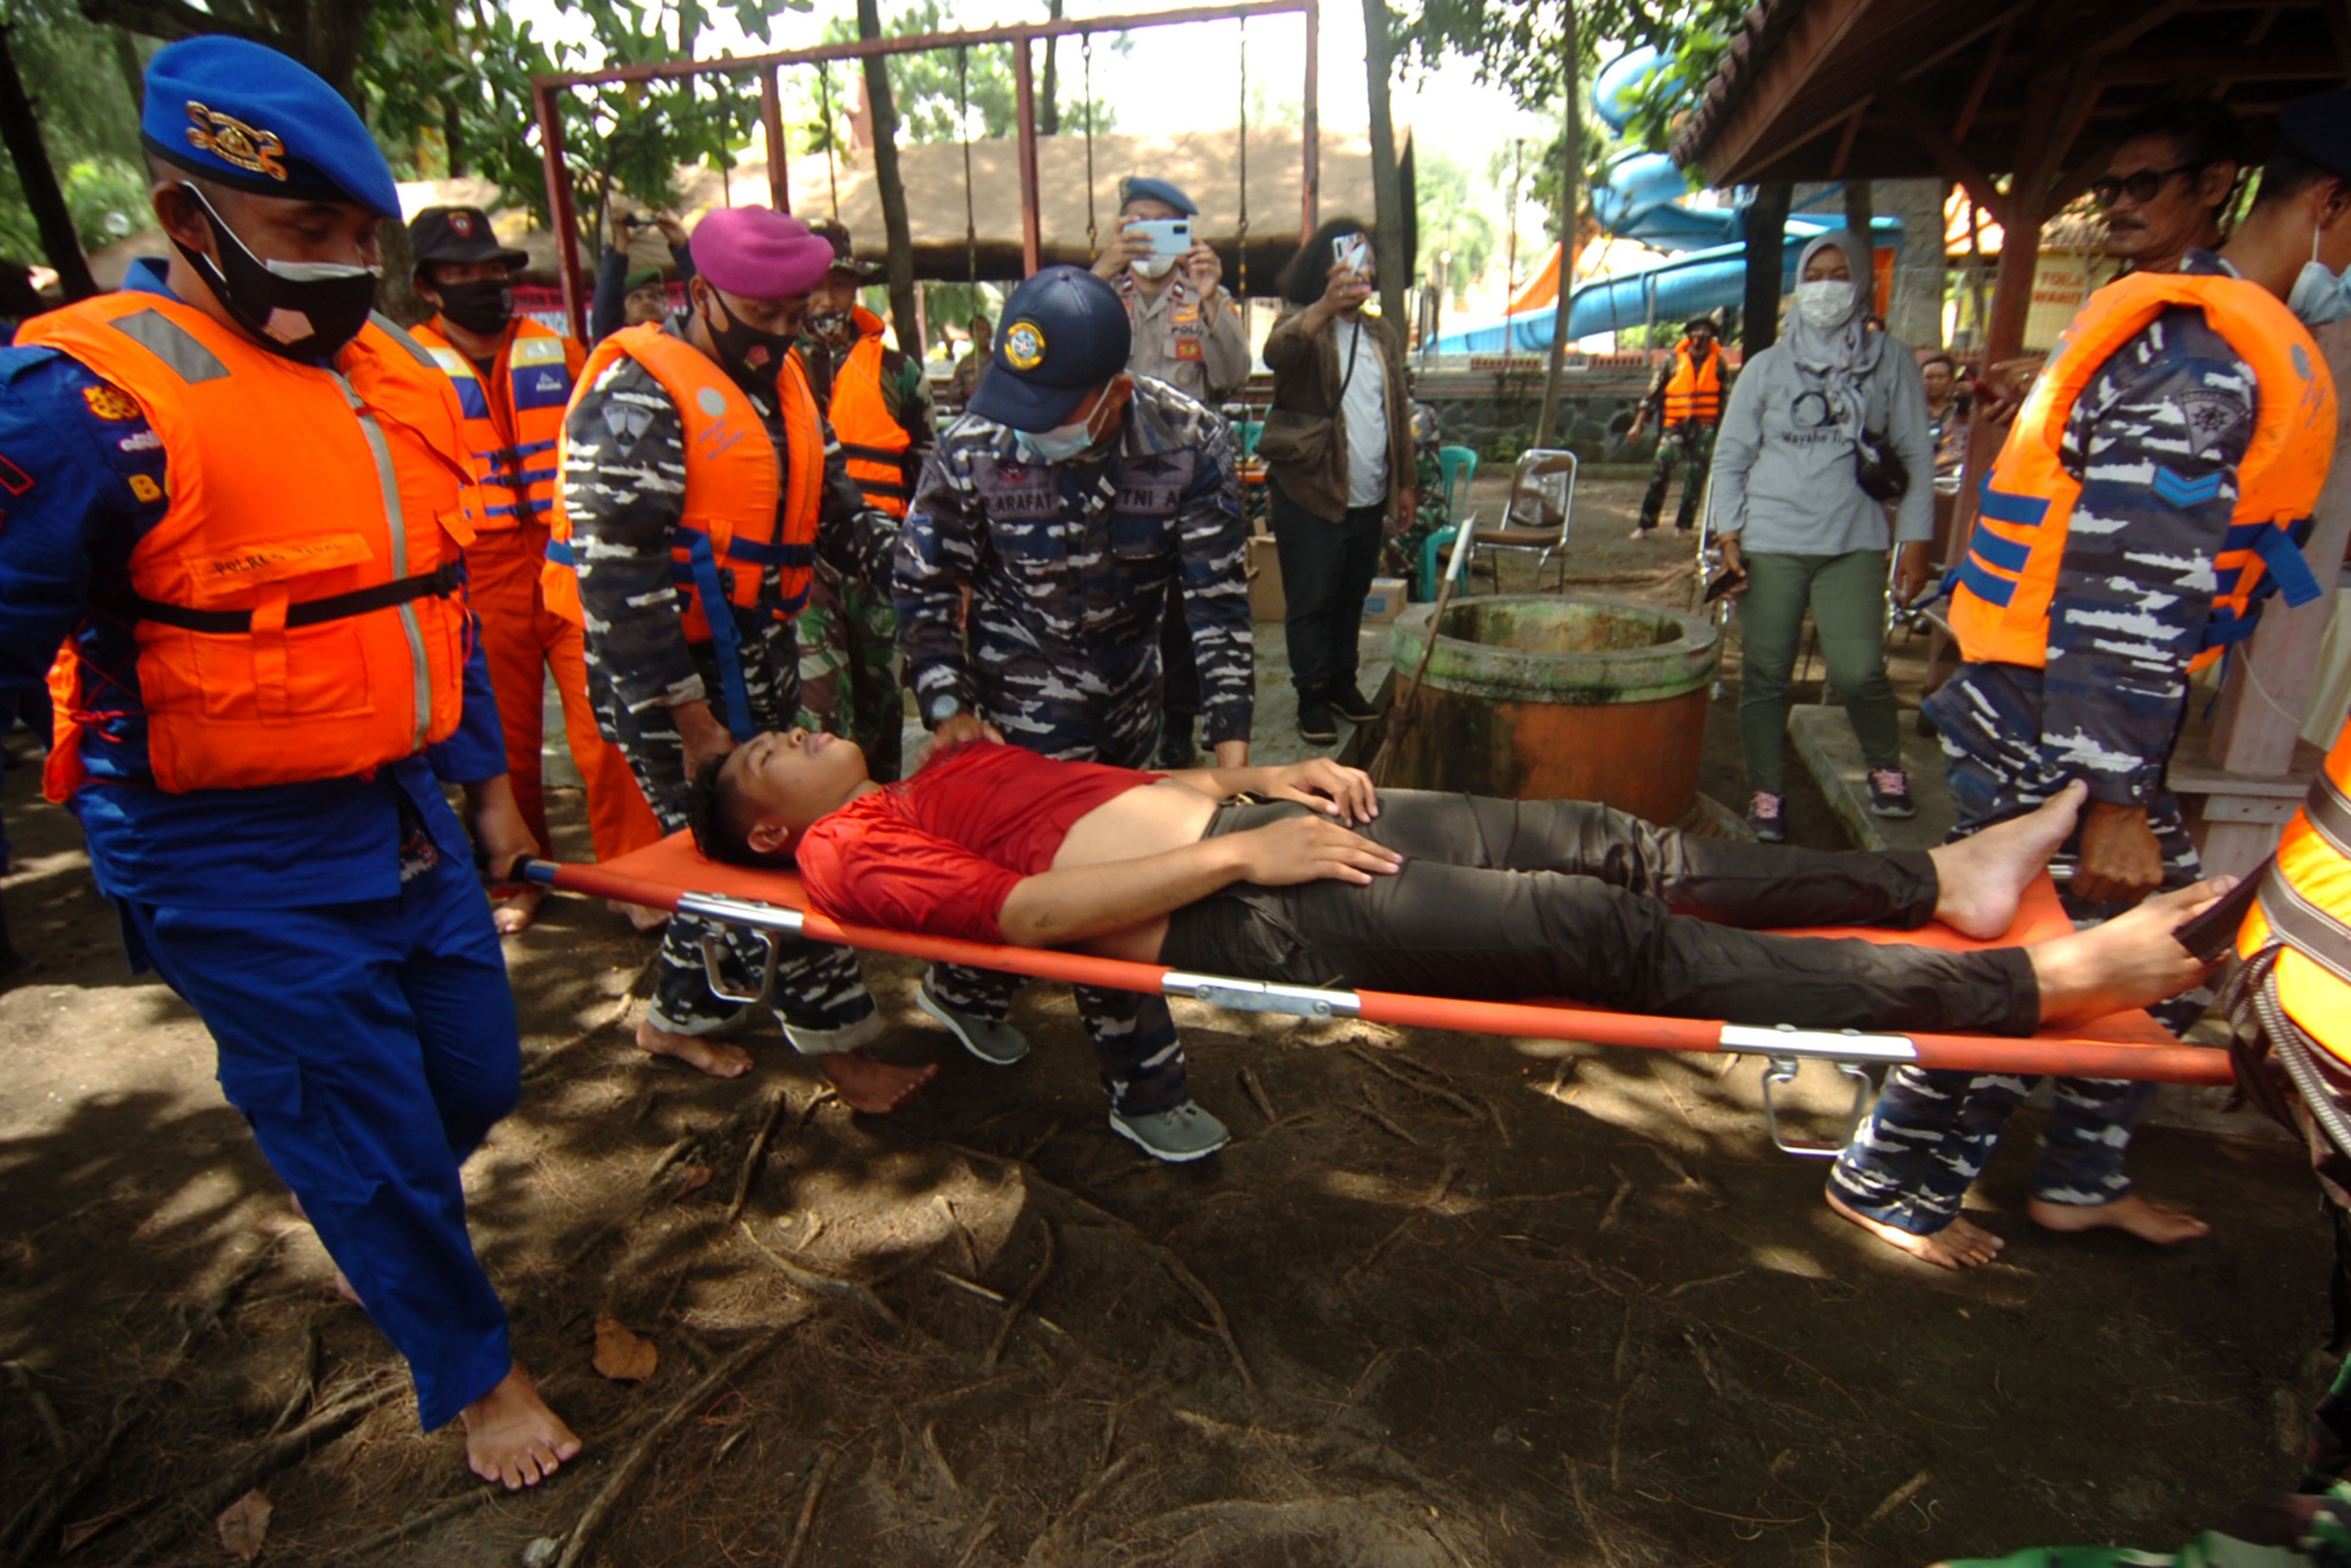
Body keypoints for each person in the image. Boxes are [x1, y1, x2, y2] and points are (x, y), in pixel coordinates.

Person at [0, 36, 576, 1487]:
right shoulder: (84, 403)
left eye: (355, 239)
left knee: (473, 1075)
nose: (343, 271)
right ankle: (476, 1373)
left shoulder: (394, 374)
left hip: (396, 811)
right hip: (219, 843)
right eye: (304, 234)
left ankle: (363, 1215)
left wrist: (492, 780)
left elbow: (431, 601)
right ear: (189, 219)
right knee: (363, 1122)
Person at [1826, 94, 2351, 1273]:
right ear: (2330, 204)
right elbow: (2127, 589)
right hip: (2055, 717)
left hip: (2065, 708)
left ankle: (2078, 1179)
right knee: (2046, 965)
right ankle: (1886, 1180)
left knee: (2164, 952)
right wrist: (2113, 792)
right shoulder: (2205, 354)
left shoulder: (2201, 327)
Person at [688, 729, 2228, 1072]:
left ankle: (1939, 877)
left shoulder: (933, 762)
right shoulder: (843, 852)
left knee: (1601, 838)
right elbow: (1022, 924)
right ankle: (2026, 987)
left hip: (1252, 823)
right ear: (766, 824)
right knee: (1592, 937)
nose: (795, 727)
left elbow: (1093, 796)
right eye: (767, 751)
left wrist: (1254, 780)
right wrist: (1237, 857)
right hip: (1242, 902)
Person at [546, 206, 921, 1114]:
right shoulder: (635, 396)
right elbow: (618, 580)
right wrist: (690, 719)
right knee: (771, 861)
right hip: (665, 678)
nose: (786, 333)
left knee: (727, 865)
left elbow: (835, 511)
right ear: (703, 294)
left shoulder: (784, 384)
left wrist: (924, 572)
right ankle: (844, 1053)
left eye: (798, 316)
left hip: (759, 651)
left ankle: (675, 1017)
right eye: (768, 316)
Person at [895, 264, 1251, 1161]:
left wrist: (1232, 741)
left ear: (1113, 394)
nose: (1028, 427)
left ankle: (966, 987)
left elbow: (1215, 603)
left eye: (1054, 406)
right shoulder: (975, 442)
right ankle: (1147, 1084)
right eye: (1021, 399)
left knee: (1038, 866)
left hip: (1128, 688)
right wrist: (946, 705)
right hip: (1018, 688)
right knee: (1102, 875)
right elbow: (926, 583)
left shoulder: (1188, 440)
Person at [408, 206, 661, 930]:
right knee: (504, 741)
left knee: (609, 728)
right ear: (429, 287)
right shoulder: (407, 366)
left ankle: (636, 876)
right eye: (462, 274)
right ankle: (518, 876)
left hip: (566, 559)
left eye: (492, 271)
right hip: (474, 570)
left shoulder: (556, 350)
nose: (483, 284)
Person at [1709, 230, 1934, 841]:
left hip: (1854, 540)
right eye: (1816, 275)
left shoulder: (1891, 363)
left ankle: (1886, 768)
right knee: (1765, 673)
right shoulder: (1766, 368)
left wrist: (1916, 542)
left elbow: (1914, 452)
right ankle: (1766, 791)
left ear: (1861, 283)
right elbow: (1730, 457)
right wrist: (1728, 536)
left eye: (1840, 275)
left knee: (1861, 670)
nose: (1826, 288)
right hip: (1771, 537)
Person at [1092, 176, 1253, 772]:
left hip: (1187, 484)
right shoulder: (1101, 293)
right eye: (1136, 221)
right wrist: (1100, 269)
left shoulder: (1203, 294)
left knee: (1189, 611)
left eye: (1164, 222)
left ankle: (1180, 725)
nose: (1147, 233)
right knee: (1119, 603)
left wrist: (1213, 301)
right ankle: (1120, 717)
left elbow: (1234, 373)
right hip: (1113, 480)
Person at [1260, 217, 1415, 748]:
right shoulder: (1302, 322)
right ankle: (1311, 692)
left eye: (1366, 259)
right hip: (1310, 490)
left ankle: (1343, 681)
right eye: (1349, 258)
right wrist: (1323, 308)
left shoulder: (1382, 333)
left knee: (1352, 594)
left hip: (1369, 491)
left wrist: (1407, 484)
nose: (1361, 269)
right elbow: (1276, 354)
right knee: (1312, 597)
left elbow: (1398, 410)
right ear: (1323, 269)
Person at [794, 217, 927, 784]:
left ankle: (886, 821)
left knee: (882, 710)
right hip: (803, 569)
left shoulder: (898, 372)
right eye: (814, 284)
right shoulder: (772, 367)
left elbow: (929, 471)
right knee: (819, 713)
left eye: (840, 283)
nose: (827, 298)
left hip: (880, 566)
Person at [1626, 316, 1725, 540]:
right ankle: (1645, 524)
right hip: (1676, 425)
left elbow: (1724, 398)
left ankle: (1683, 526)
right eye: (1697, 331)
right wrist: (1638, 425)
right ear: (1689, 335)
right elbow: (1653, 395)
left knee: (1696, 476)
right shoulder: (1672, 362)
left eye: (1706, 332)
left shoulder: (1718, 363)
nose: (1701, 336)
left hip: (1705, 426)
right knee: (1661, 469)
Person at [589, 208, 691, 343]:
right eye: (636, 299)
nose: (647, 302)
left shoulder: (686, 338)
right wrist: (620, 246)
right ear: (624, 316)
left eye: (654, 298)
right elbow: (605, 306)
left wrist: (683, 246)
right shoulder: (619, 345)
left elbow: (703, 301)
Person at [1919, 350, 1969, 482]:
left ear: (1952, 381)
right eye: (1929, 378)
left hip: (1952, 479)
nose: (1934, 382)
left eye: (1941, 377)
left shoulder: (1963, 412)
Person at [945, 312, 991, 404]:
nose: (987, 334)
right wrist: (964, 391)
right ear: (972, 334)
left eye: (989, 330)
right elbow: (952, 393)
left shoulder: (998, 361)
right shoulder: (965, 364)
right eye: (982, 330)